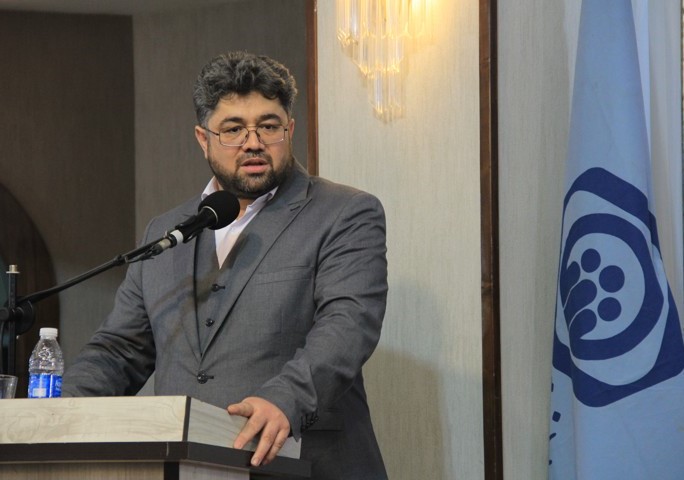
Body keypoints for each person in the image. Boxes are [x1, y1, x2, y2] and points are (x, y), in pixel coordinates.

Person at [62, 51, 389, 479]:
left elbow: (348, 324)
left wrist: (285, 398)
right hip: (186, 467)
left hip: (306, 465)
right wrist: (57, 410)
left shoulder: (344, 212)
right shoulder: (166, 231)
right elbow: (121, 349)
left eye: (268, 126)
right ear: (203, 139)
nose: (253, 142)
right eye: (233, 129)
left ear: (290, 129)